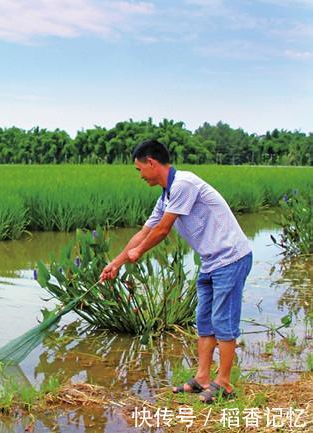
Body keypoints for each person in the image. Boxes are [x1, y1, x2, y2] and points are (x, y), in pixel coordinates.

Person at [99, 139, 252, 403]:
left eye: (139, 170)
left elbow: (162, 230)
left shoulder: (184, 184)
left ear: (151, 162)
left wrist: (140, 252)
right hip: (210, 262)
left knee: (223, 321)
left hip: (230, 258)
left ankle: (224, 384)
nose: (140, 176)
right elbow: (145, 231)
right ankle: (203, 378)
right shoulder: (166, 195)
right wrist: (117, 262)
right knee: (204, 322)